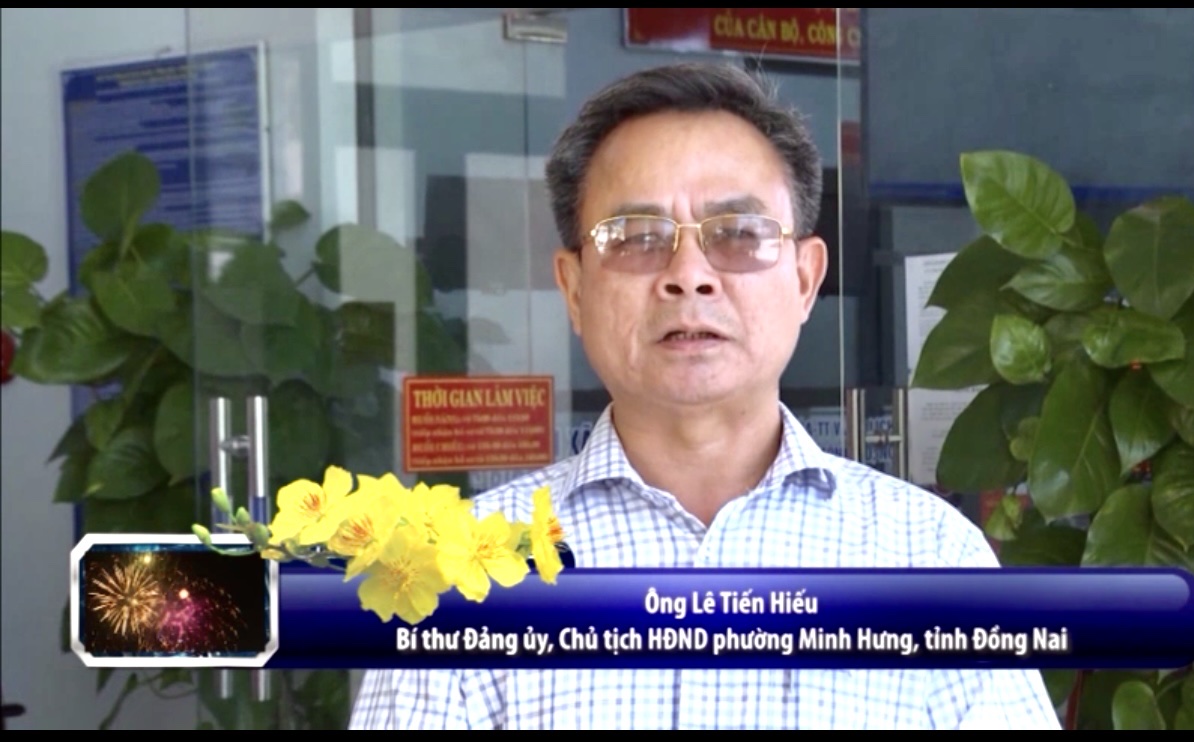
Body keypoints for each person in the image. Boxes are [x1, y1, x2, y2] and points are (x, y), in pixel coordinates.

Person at [349, 61, 1062, 730]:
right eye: (636, 236)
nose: (688, 274)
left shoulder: (928, 558)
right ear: (573, 288)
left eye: (739, 233)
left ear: (805, 279)